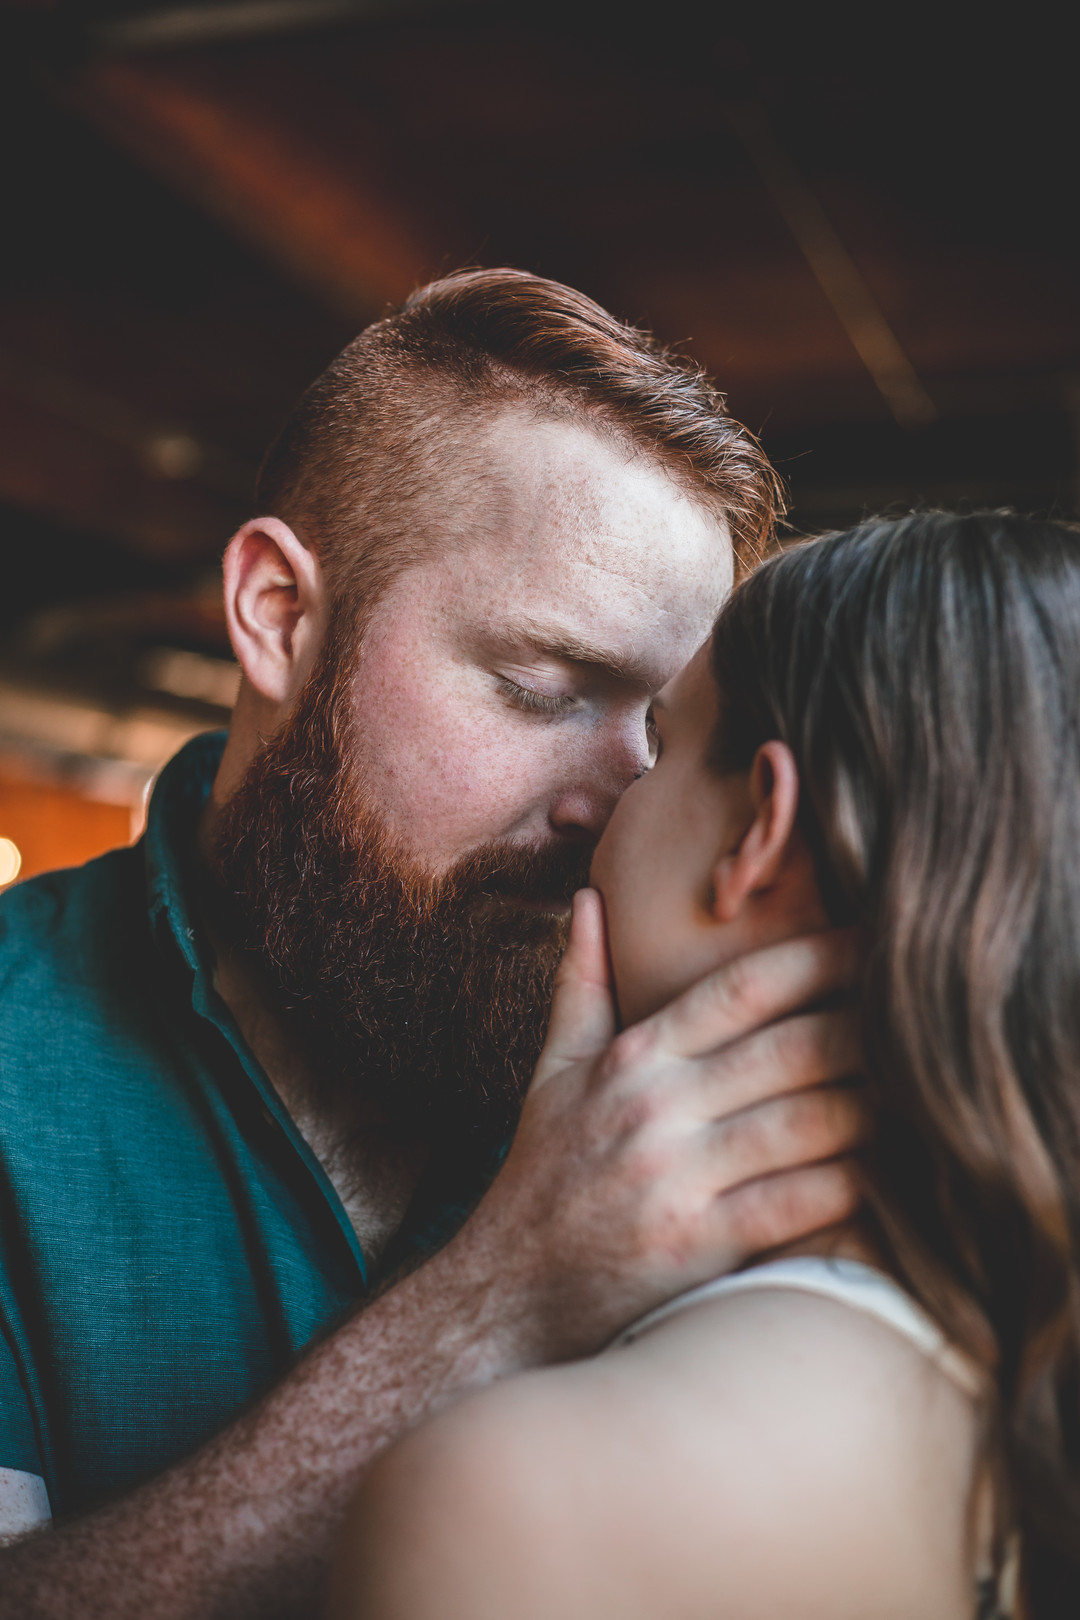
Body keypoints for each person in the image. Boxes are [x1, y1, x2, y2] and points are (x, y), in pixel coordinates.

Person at [0, 270, 864, 1617]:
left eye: (663, 731)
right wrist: (496, 1310)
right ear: (279, 615)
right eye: (542, 688)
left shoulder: (689, 1082)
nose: (618, 800)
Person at [333, 510, 1080, 1620]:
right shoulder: (1019, 1357)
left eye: (664, 747)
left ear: (758, 833)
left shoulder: (524, 1504)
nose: (600, 803)